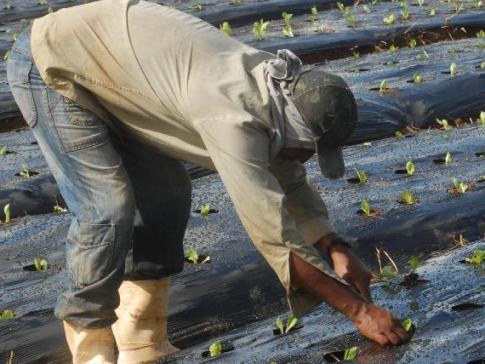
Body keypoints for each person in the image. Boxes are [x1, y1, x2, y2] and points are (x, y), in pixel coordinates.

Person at [7, 0, 412, 362]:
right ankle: (90, 345)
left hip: (114, 68)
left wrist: (335, 247)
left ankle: (141, 340)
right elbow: (273, 237)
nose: (303, 159)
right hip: (54, 64)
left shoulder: (278, 99)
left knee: (167, 195)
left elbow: (290, 185)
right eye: (306, 149)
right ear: (293, 131)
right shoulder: (233, 119)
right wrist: (359, 311)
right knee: (108, 207)